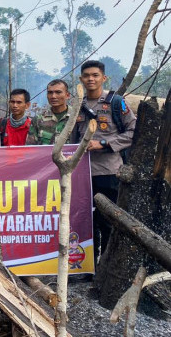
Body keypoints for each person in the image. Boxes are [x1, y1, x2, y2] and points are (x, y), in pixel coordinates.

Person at [75, 60, 136, 260]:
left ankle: (108, 266)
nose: (91, 79)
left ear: (104, 78)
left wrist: (104, 143)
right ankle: (89, 267)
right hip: (83, 173)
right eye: (87, 76)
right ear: (81, 79)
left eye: (95, 75)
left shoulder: (115, 102)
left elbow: (133, 132)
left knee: (108, 221)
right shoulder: (78, 104)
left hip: (109, 172)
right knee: (86, 222)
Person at [27, 79, 76, 145]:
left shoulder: (76, 117)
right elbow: (31, 148)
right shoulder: (38, 119)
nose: (53, 96)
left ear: (67, 95)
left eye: (58, 92)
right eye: (50, 93)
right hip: (44, 155)